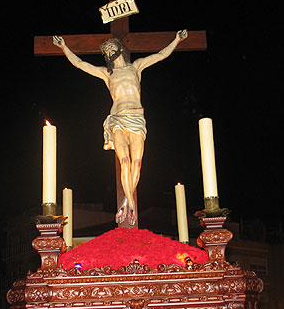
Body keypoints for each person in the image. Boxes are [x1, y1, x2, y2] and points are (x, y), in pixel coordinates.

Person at [53, 30, 188, 226]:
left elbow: (160, 55)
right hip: (117, 119)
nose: (109, 51)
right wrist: (64, 47)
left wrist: (177, 39)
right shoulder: (107, 74)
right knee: (124, 161)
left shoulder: (136, 67)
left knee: (138, 163)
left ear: (120, 48)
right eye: (106, 50)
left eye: (111, 47)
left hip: (136, 117)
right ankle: (131, 203)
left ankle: (126, 200)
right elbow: (80, 64)